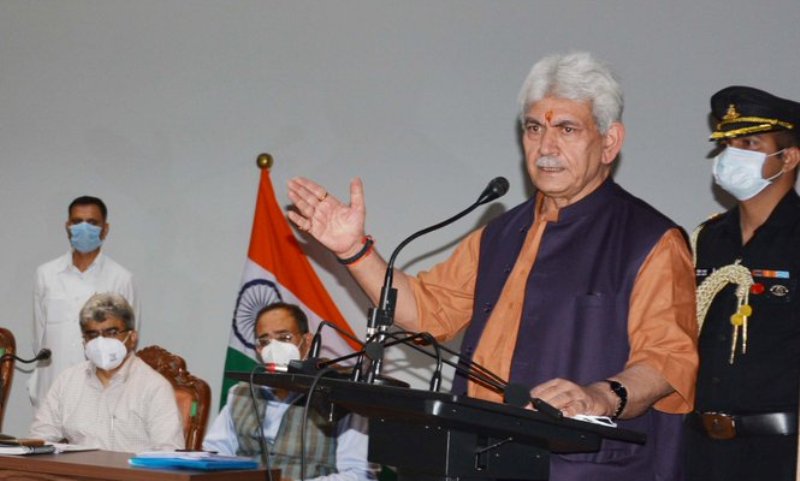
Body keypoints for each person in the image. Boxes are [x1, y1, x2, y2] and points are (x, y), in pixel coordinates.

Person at [286, 51, 698, 481]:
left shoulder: (649, 240)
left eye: (567, 129)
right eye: (534, 128)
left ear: (610, 142)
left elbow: (668, 360)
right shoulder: (501, 233)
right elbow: (426, 311)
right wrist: (354, 250)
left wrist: (601, 395)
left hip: (586, 469)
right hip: (483, 461)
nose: (546, 147)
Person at [686, 86, 800, 481]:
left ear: (788, 158)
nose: (732, 155)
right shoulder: (707, 239)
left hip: (780, 453)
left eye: (750, 143)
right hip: (702, 449)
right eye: (727, 143)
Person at [203, 302, 375, 481]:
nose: (274, 347)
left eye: (284, 338)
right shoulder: (240, 393)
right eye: (265, 341)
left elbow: (360, 475)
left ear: (307, 341)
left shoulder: (341, 397)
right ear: (258, 349)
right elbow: (213, 455)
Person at [29, 293, 183, 452]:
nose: (101, 342)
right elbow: (39, 439)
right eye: (93, 335)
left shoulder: (154, 387)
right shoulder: (67, 381)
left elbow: (168, 452)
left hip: (131, 468)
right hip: (77, 468)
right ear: (84, 341)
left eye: (111, 333)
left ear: (132, 337)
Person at [30, 195, 139, 409]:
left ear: (105, 229)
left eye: (92, 222)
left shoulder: (121, 279)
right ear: (68, 227)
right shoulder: (46, 274)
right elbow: (38, 337)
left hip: (100, 393)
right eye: (77, 221)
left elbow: (127, 343)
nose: (84, 228)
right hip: (51, 387)